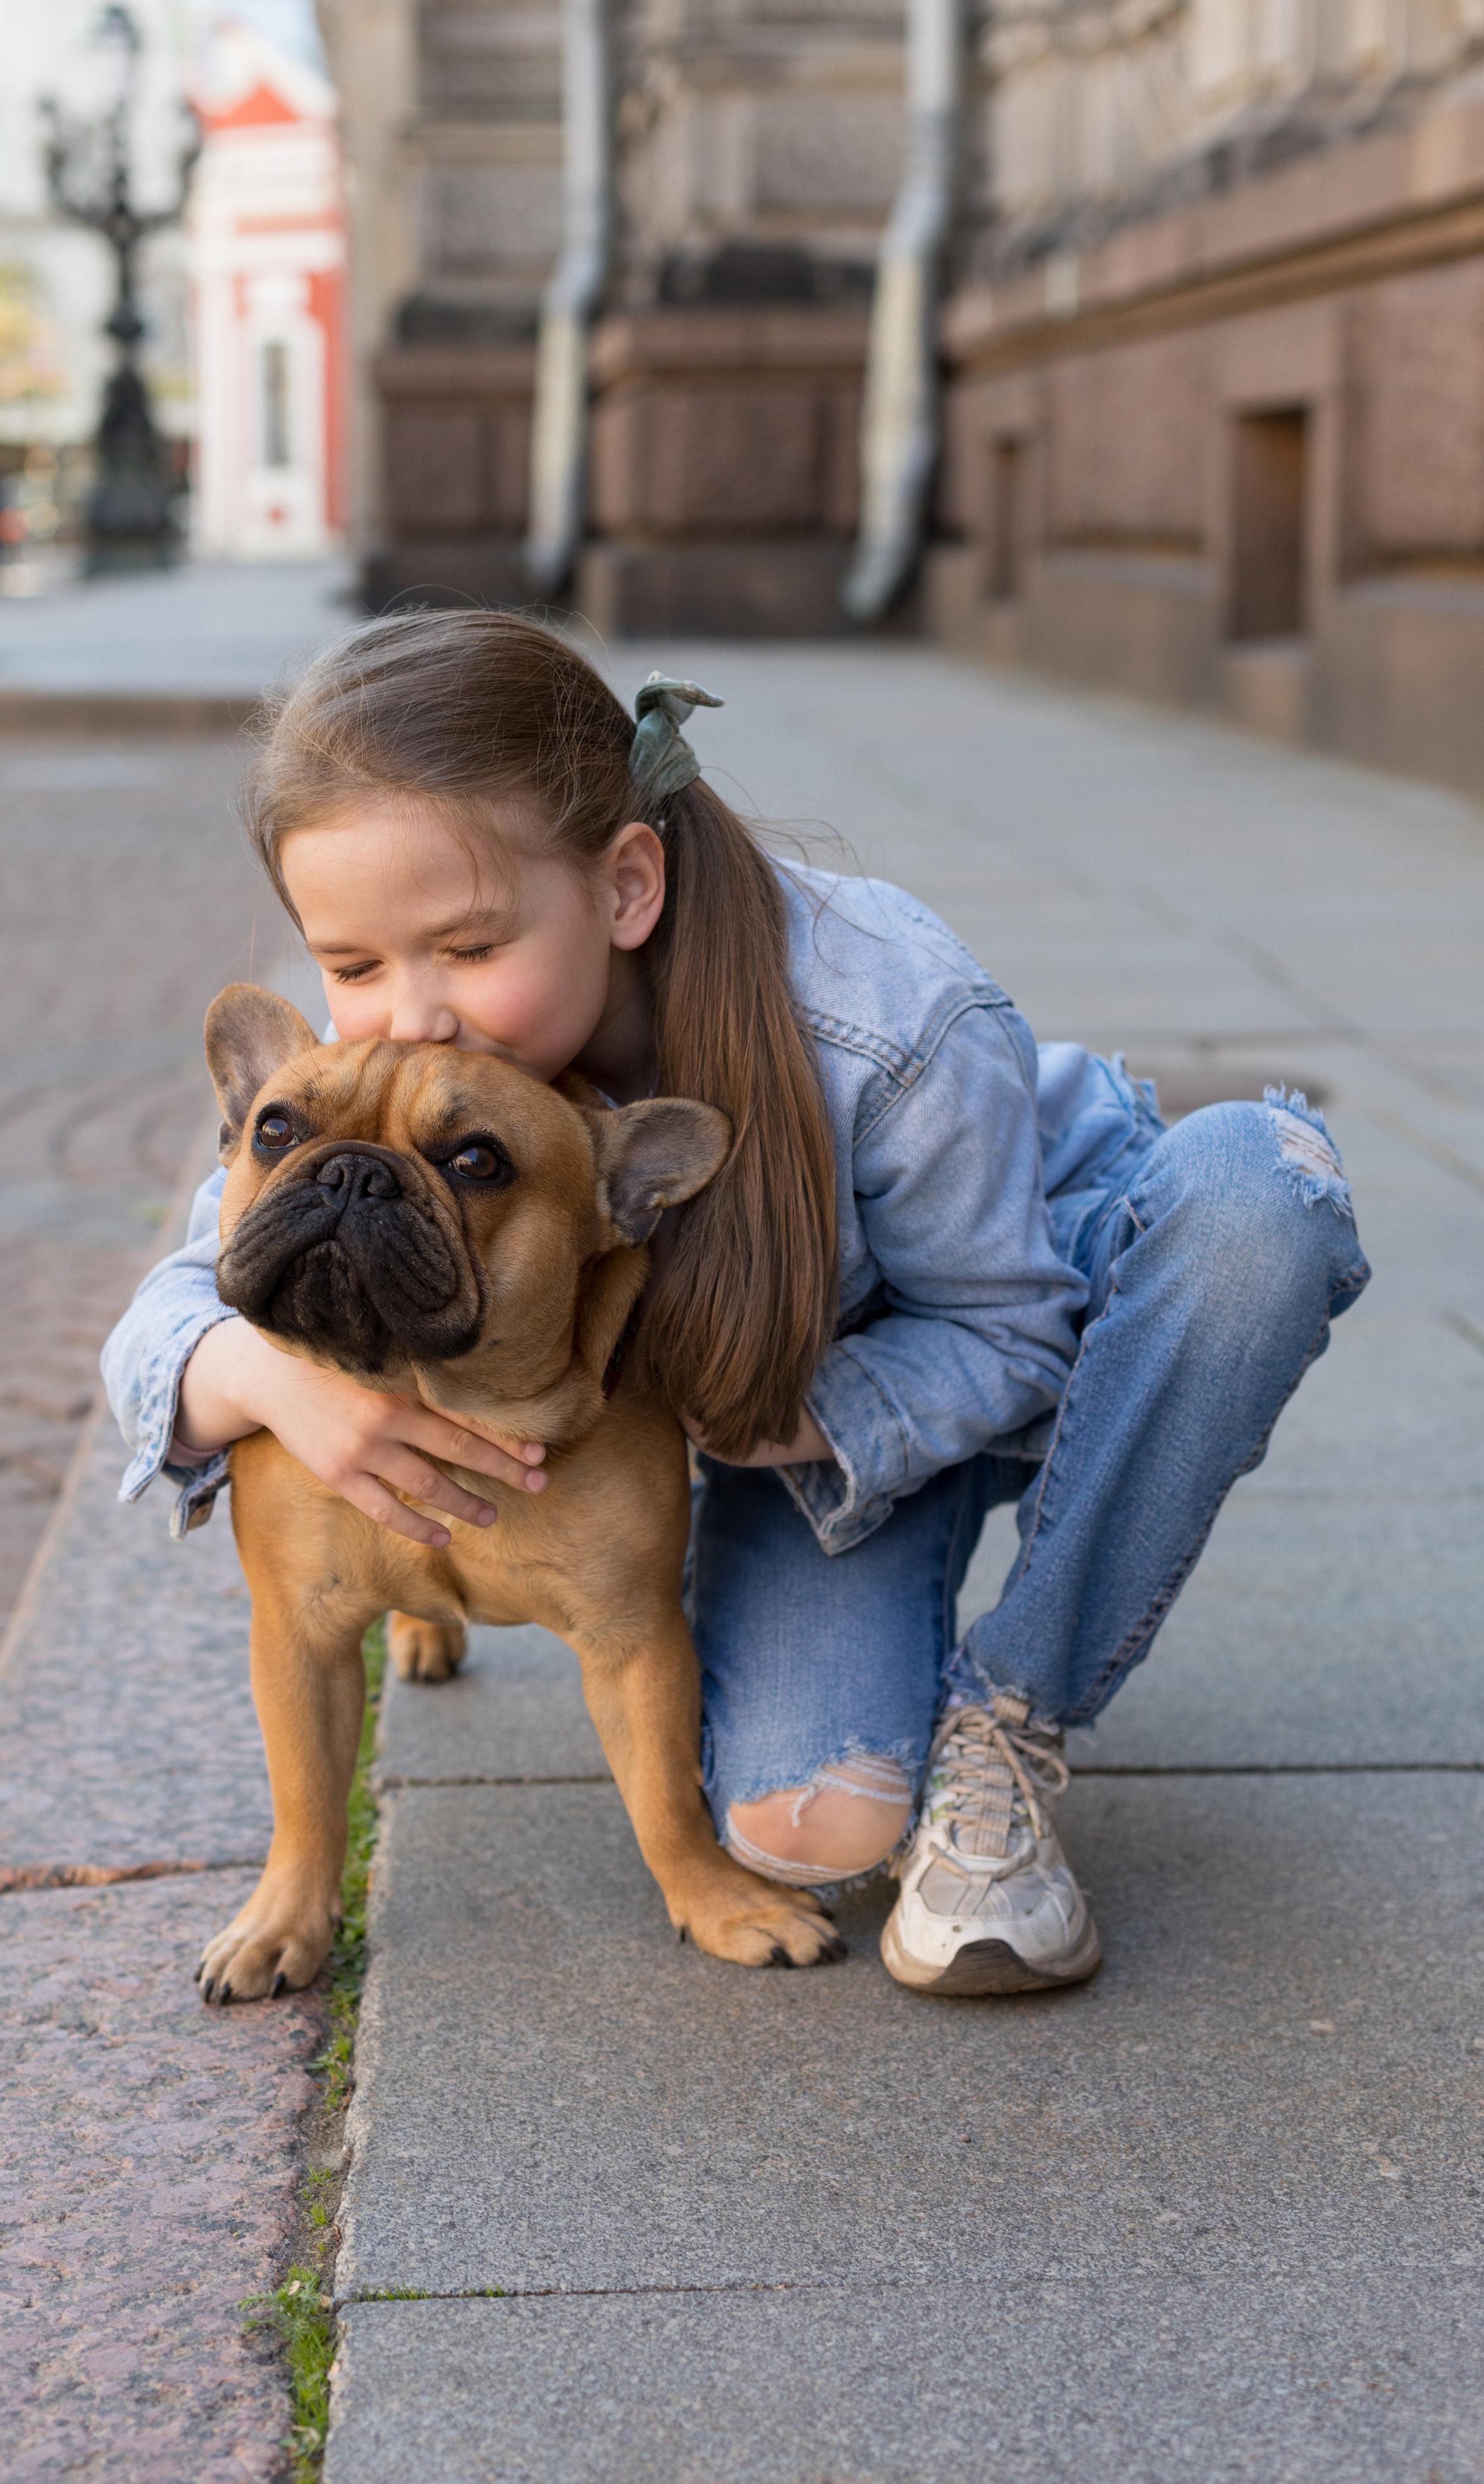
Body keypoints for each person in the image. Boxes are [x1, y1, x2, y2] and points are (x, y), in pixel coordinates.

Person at [102, 612, 1370, 1996]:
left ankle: (1012, 1708)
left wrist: (740, 1421)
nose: (410, 1017)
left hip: (1025, 1313)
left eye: (466, 946)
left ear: (625, 886)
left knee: (1258, 1205)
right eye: (352, 968)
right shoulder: (379, 1083)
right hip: (803, 1426)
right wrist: (272, 1385)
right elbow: (186, 1295)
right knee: (803, 1827)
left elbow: (1008, 1330)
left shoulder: (884, 1016)